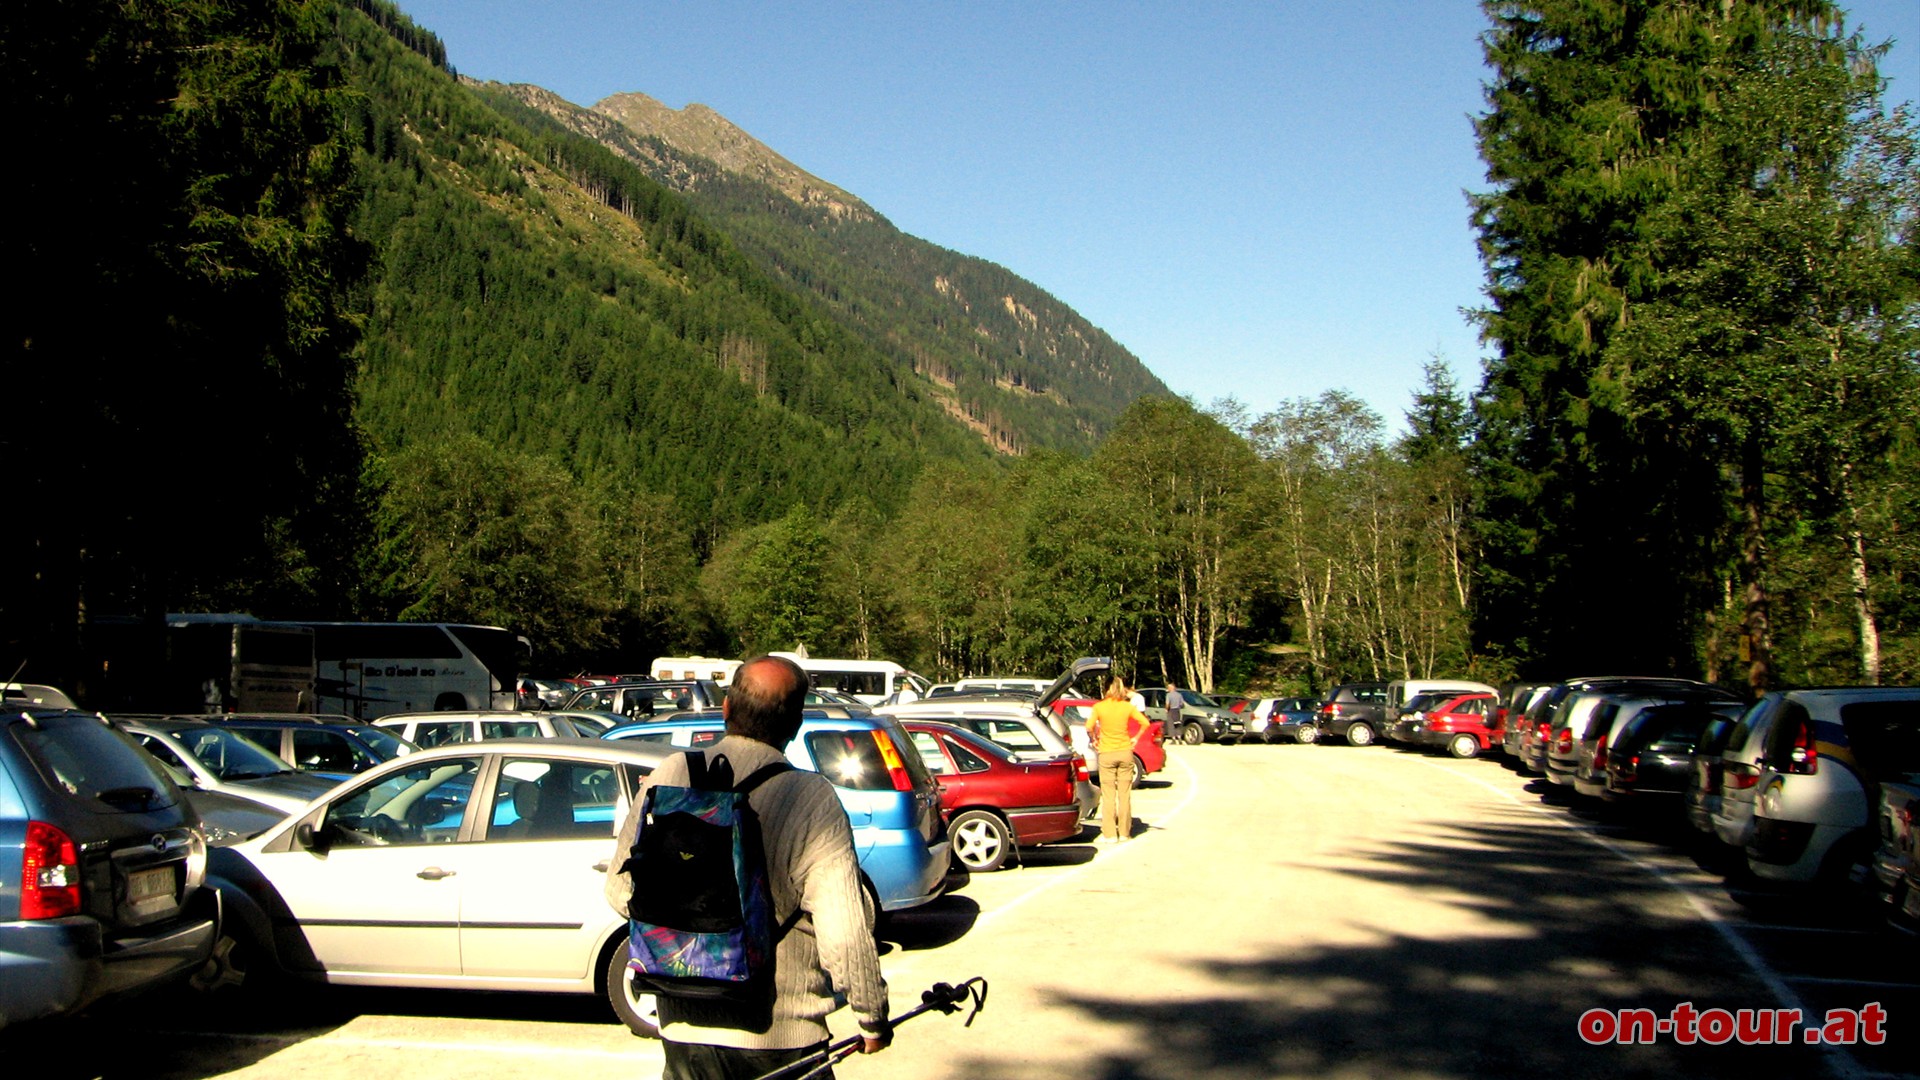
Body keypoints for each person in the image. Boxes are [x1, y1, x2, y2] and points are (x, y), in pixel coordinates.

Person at [605, 655, 890, 1079]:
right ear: (794, 724)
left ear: (726, 709)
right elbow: (844, 930)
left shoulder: (672, 774)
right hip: (780, 1037)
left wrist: (691, 931)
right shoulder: (809, 797)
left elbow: (619, 890)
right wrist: (871, 1015)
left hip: (684, 1032)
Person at [1086, 676, 1150, 842]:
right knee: (1124, 794)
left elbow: (1088, 726)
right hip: (1125, 751)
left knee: (1108, 795)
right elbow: (1145, 722)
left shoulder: (1099, 707)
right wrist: (1135, 738)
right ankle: (1124, 832)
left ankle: (1109, 833)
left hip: (1106, 753)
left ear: (1106, 688)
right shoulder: (1126, 707)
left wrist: (1094, 739)